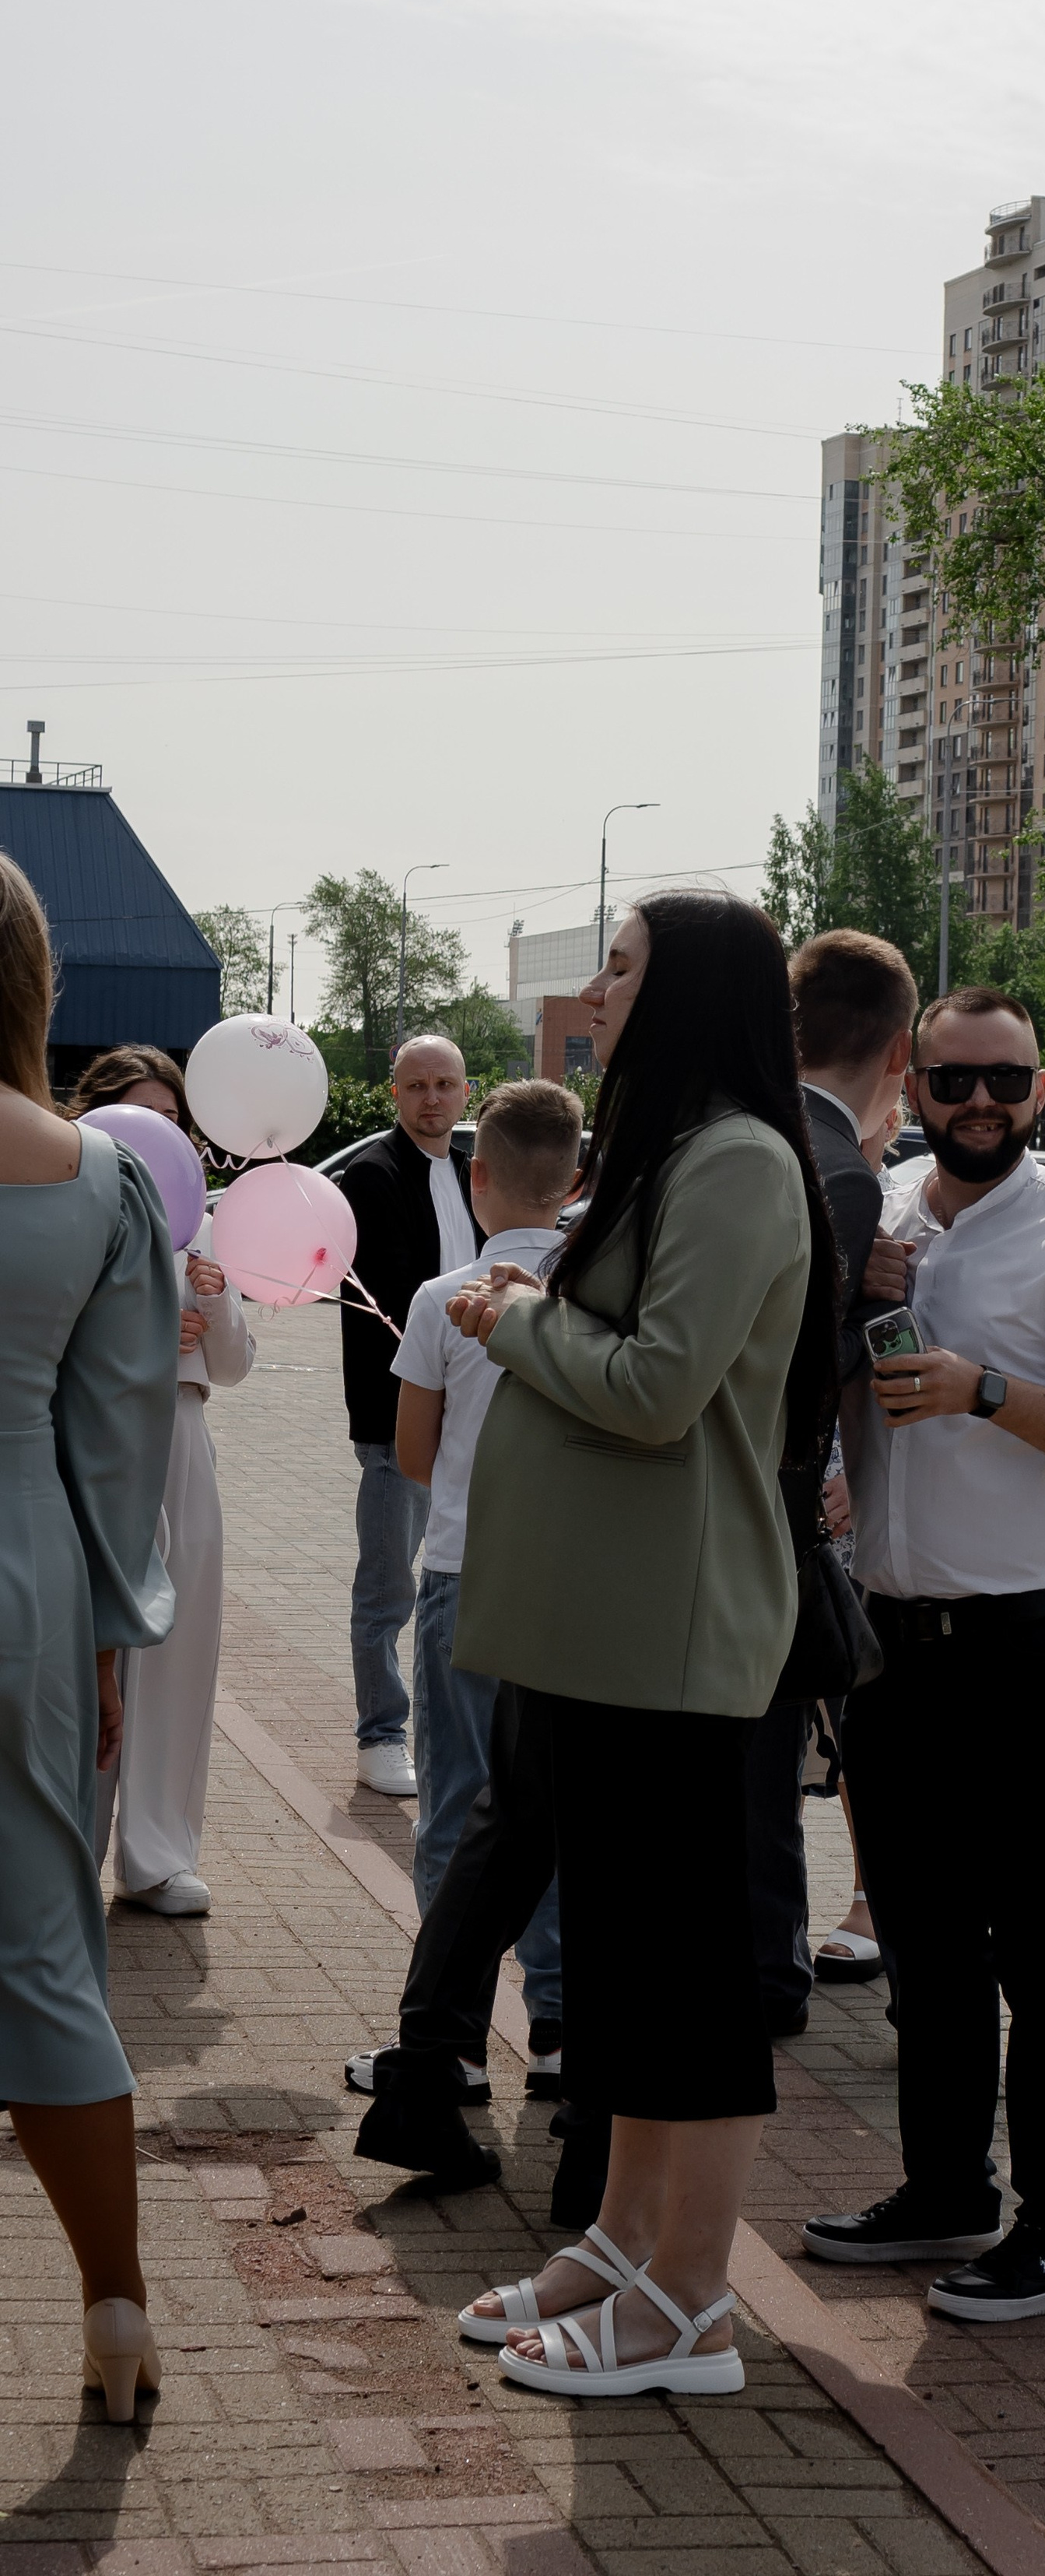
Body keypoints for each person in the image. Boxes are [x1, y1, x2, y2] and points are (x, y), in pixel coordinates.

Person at [443, 890, 839, 2401]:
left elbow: (663, 1385)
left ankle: (689, 2303)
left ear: (690, 994)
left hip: (674, 1638)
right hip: (609, 1637)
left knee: (685, 1979)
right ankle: (618, 2248)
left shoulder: (734, 1161)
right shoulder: (676, 1150)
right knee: (620, 1967)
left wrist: (518, 1316)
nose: (597, 992)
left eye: (621, 968)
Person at [802, 986, 1045, 2323]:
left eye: (1005, 1084)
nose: (978, 1105)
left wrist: (986, 1389)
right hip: (896, 1639)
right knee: (926, 1943)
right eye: (953, 1078)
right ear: (917, 1073)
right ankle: (945, 2188)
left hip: (1035, 1639)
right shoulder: (882, 1209)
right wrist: (858, 1299)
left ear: (1041, 1088)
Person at [0, 858, 180, 2421]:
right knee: (46, 1947)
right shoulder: (102, 1178)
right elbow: (118, 1444)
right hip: (27, 1584)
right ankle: (115, 2306)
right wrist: (114, 1640)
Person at [388, 1080, 580, 2069]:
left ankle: (449, 2036)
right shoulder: (594, 1293)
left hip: (465, 1565)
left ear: (478, 1177)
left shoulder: (440, 1297)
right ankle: (555, 2022)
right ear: (576, 1179)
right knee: (548, 1806)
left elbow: (413, 1453)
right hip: (567, 1587)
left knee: (459, 1802)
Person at [743, 927, 915, 2030]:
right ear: (899, 1049)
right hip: (778, 1512)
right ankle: (769, 1975)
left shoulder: (744, 1131)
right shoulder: (839, 1171)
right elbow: (793, 1364)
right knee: (778, 1748)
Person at [73, 1046, 256, 1920]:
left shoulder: (205, 1223)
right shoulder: (73, 1202)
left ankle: (158, 1852)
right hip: (97, 1441)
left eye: (174, 1122)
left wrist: (213, 1303)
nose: (161, 1139)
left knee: (181, 1646)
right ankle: (78, 1840)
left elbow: (235, 1364)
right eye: (143, 1120)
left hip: (183, 1434)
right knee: (95, 1647)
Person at [335, 1034, 473, 1797]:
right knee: (390, 1588)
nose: (430, 1098)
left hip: (480, 1415)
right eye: (416, 1085)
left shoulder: (472, 1171)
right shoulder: (373, 1174)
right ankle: (381, 1735)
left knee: (463, 1586)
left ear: (464, 1092)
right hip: (402, 1421)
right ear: (395, 1093)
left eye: (444, 1084)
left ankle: (453, 1735)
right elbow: (387, 1299)